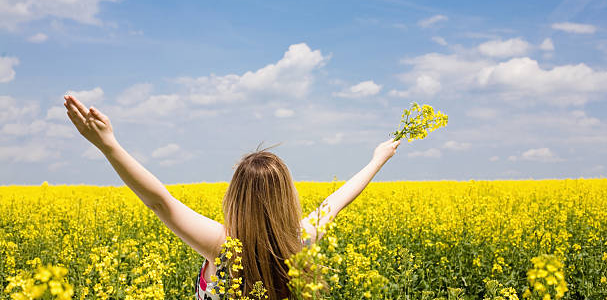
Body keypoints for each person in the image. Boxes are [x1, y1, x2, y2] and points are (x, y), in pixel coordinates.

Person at [63, 94, 401, 300]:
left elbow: (160, 201)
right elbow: (336, 202)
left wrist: (108, 145)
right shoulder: (300, 240)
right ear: (287, 198)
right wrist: (378, 159)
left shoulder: (221, 247)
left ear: (234, 197)